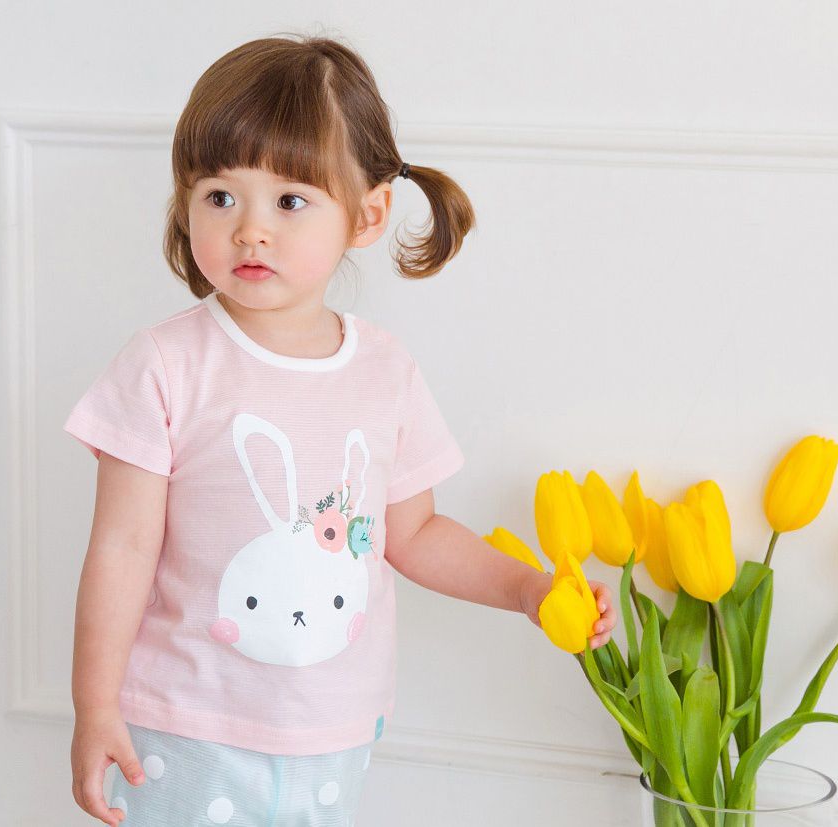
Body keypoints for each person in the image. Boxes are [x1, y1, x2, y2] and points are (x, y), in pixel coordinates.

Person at [65, 33, 617, 827]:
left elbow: (415, 533)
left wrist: (527, 589)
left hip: (334, 733)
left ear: (368, 213)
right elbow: (121, 548)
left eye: (289, 201)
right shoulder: (165, 365)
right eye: (220, 196)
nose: (251, 229)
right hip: (184, 728)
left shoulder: (385, 371)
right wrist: (94, 705)